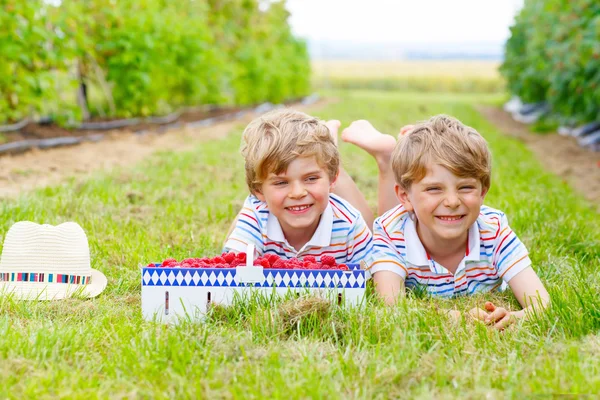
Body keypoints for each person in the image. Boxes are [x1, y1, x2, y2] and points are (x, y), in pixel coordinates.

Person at [335, 115, 549, 330]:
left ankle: (394, 156)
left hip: (413, 213)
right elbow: (390, 306)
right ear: (405, 197)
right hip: (399, 222)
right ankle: (377, 160)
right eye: (434, 188)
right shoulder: (391, 234)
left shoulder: (493, 230)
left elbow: (542, 304)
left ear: (483, 192)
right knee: (374, 227)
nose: (453, 202)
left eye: (465, 187)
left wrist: (514, 317)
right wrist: (455, 317)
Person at [223, 109, 373, 264]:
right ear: (258, 190)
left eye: (311, 178)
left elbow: (370, 278)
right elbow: (234, 271)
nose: (297, 193)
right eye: (281, 182)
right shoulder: (257, 217)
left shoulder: (349, 223)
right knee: (246, 213)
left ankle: (329, 143)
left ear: (333, 179)